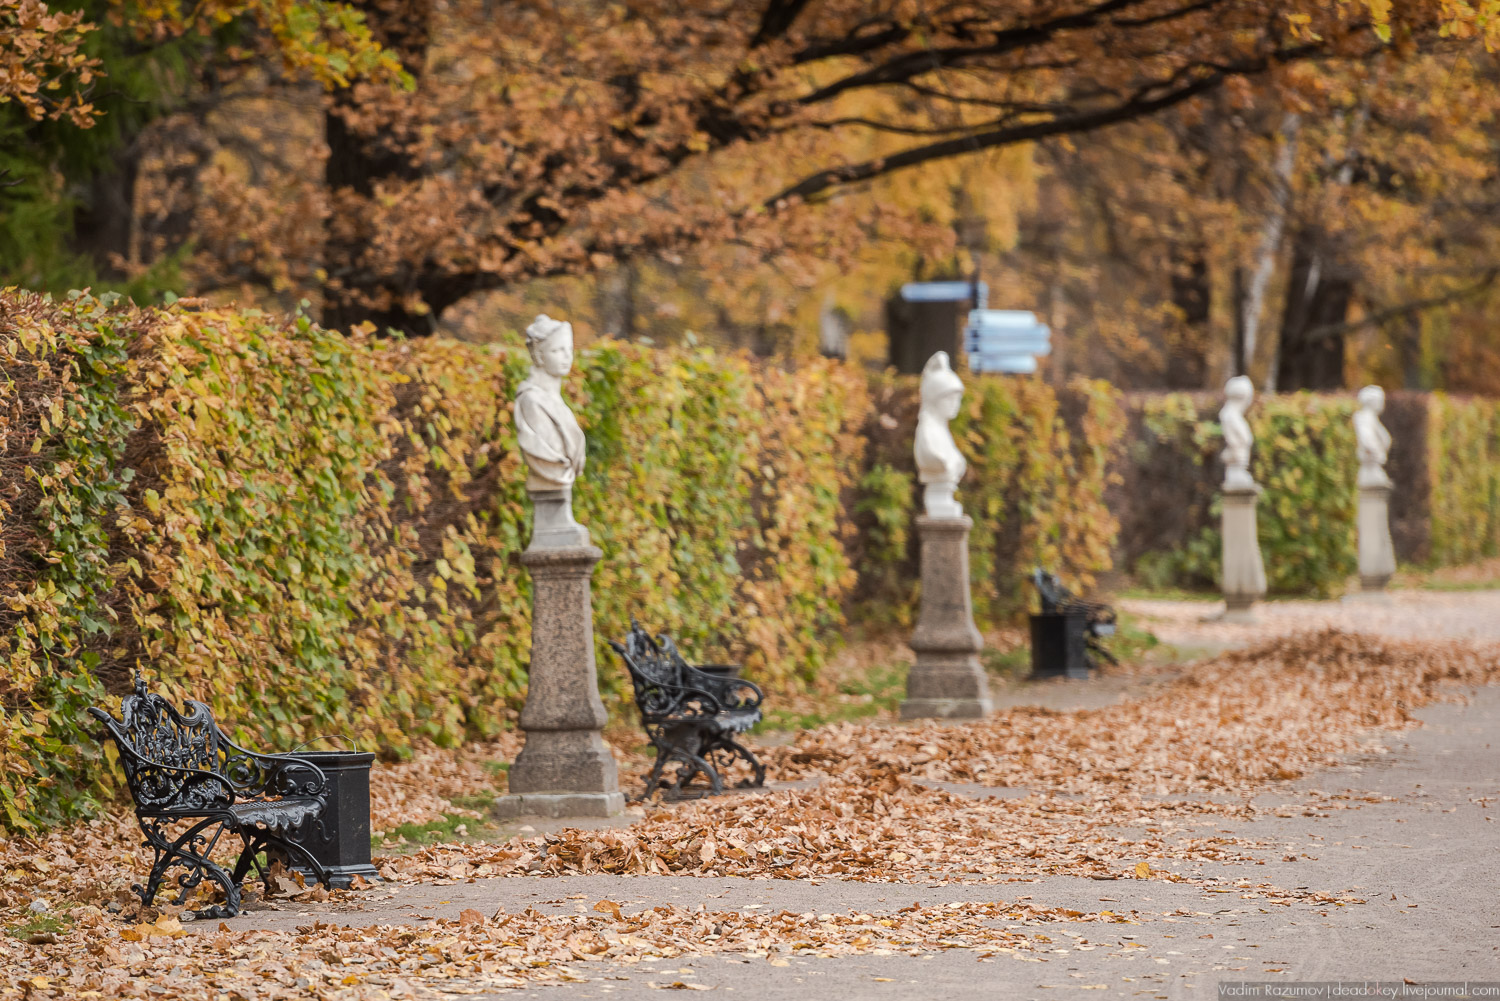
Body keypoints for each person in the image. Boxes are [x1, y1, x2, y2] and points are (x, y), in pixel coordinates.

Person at [514, 314, 586, 492]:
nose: (567, 357)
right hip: (549, 481)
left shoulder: (559, 404)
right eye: (557, 350)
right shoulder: (532, 401)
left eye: (569, 349)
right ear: (539, 356)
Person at [914, 351, 967, 517]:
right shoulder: (927, 432)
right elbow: (933, 457)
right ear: (935, 399)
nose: (955, 405)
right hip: (936, 498)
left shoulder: (942, 432)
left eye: (957, 399)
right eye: (950, 399)